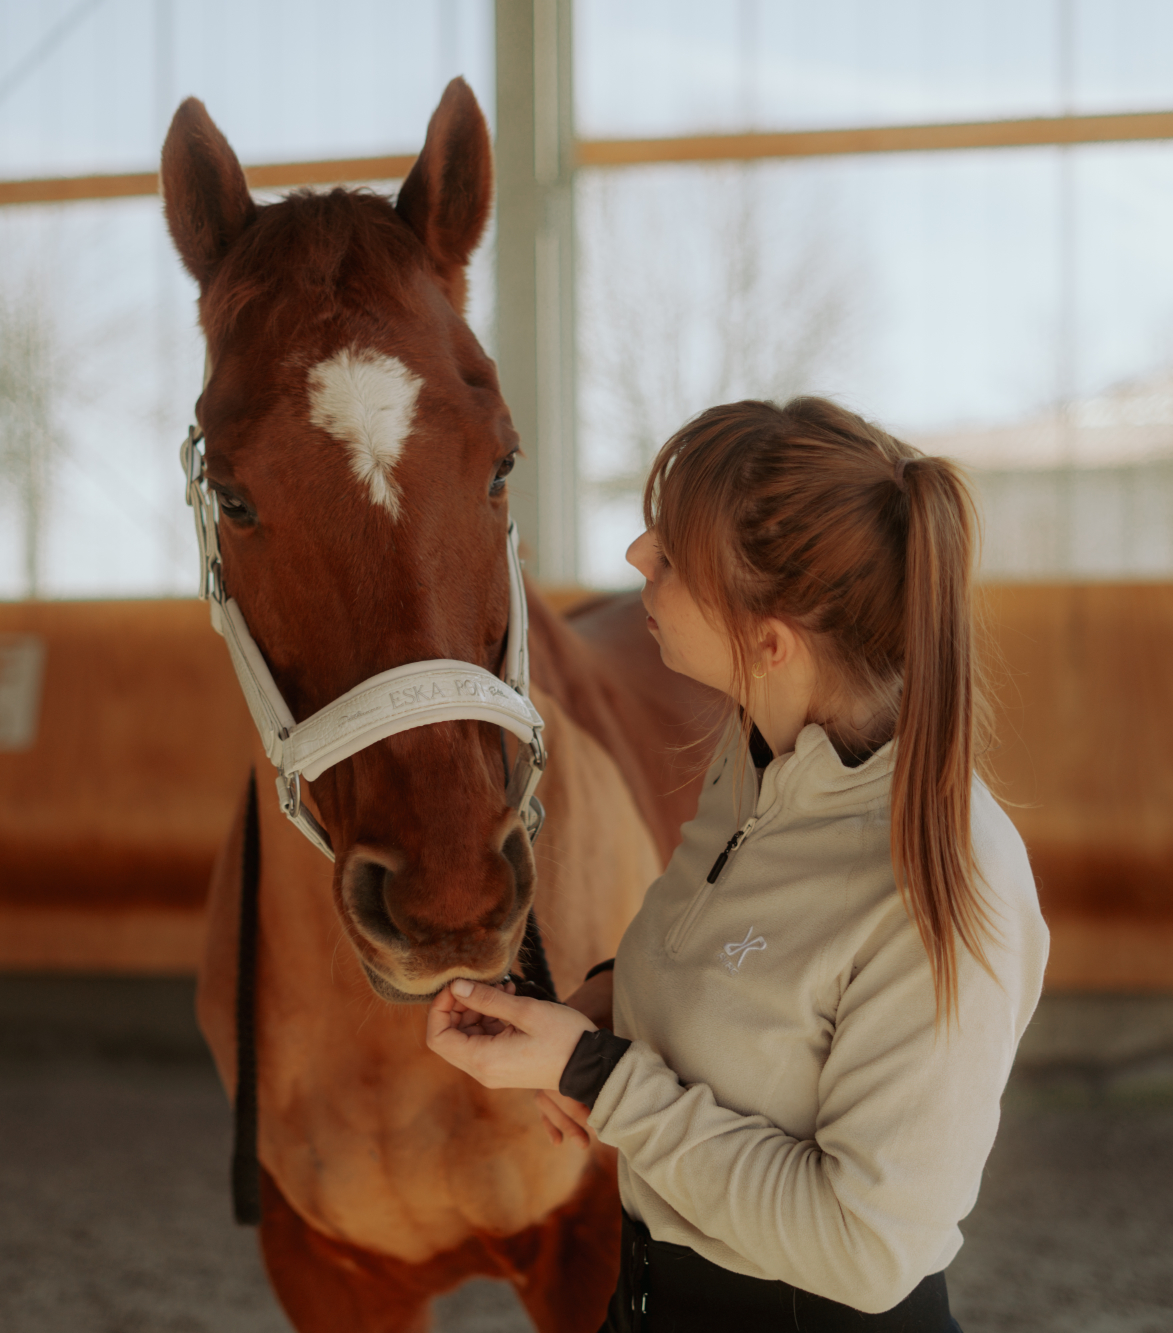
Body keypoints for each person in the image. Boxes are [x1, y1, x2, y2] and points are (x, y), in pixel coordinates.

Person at [426, 397, 1049, 1331]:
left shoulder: (943, 884)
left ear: (769, 640)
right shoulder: (756, 753)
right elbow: (734, 982)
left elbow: (867, 1249)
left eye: (670, 555)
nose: (636, 557)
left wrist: (598, 1077)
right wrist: (596, 1010)